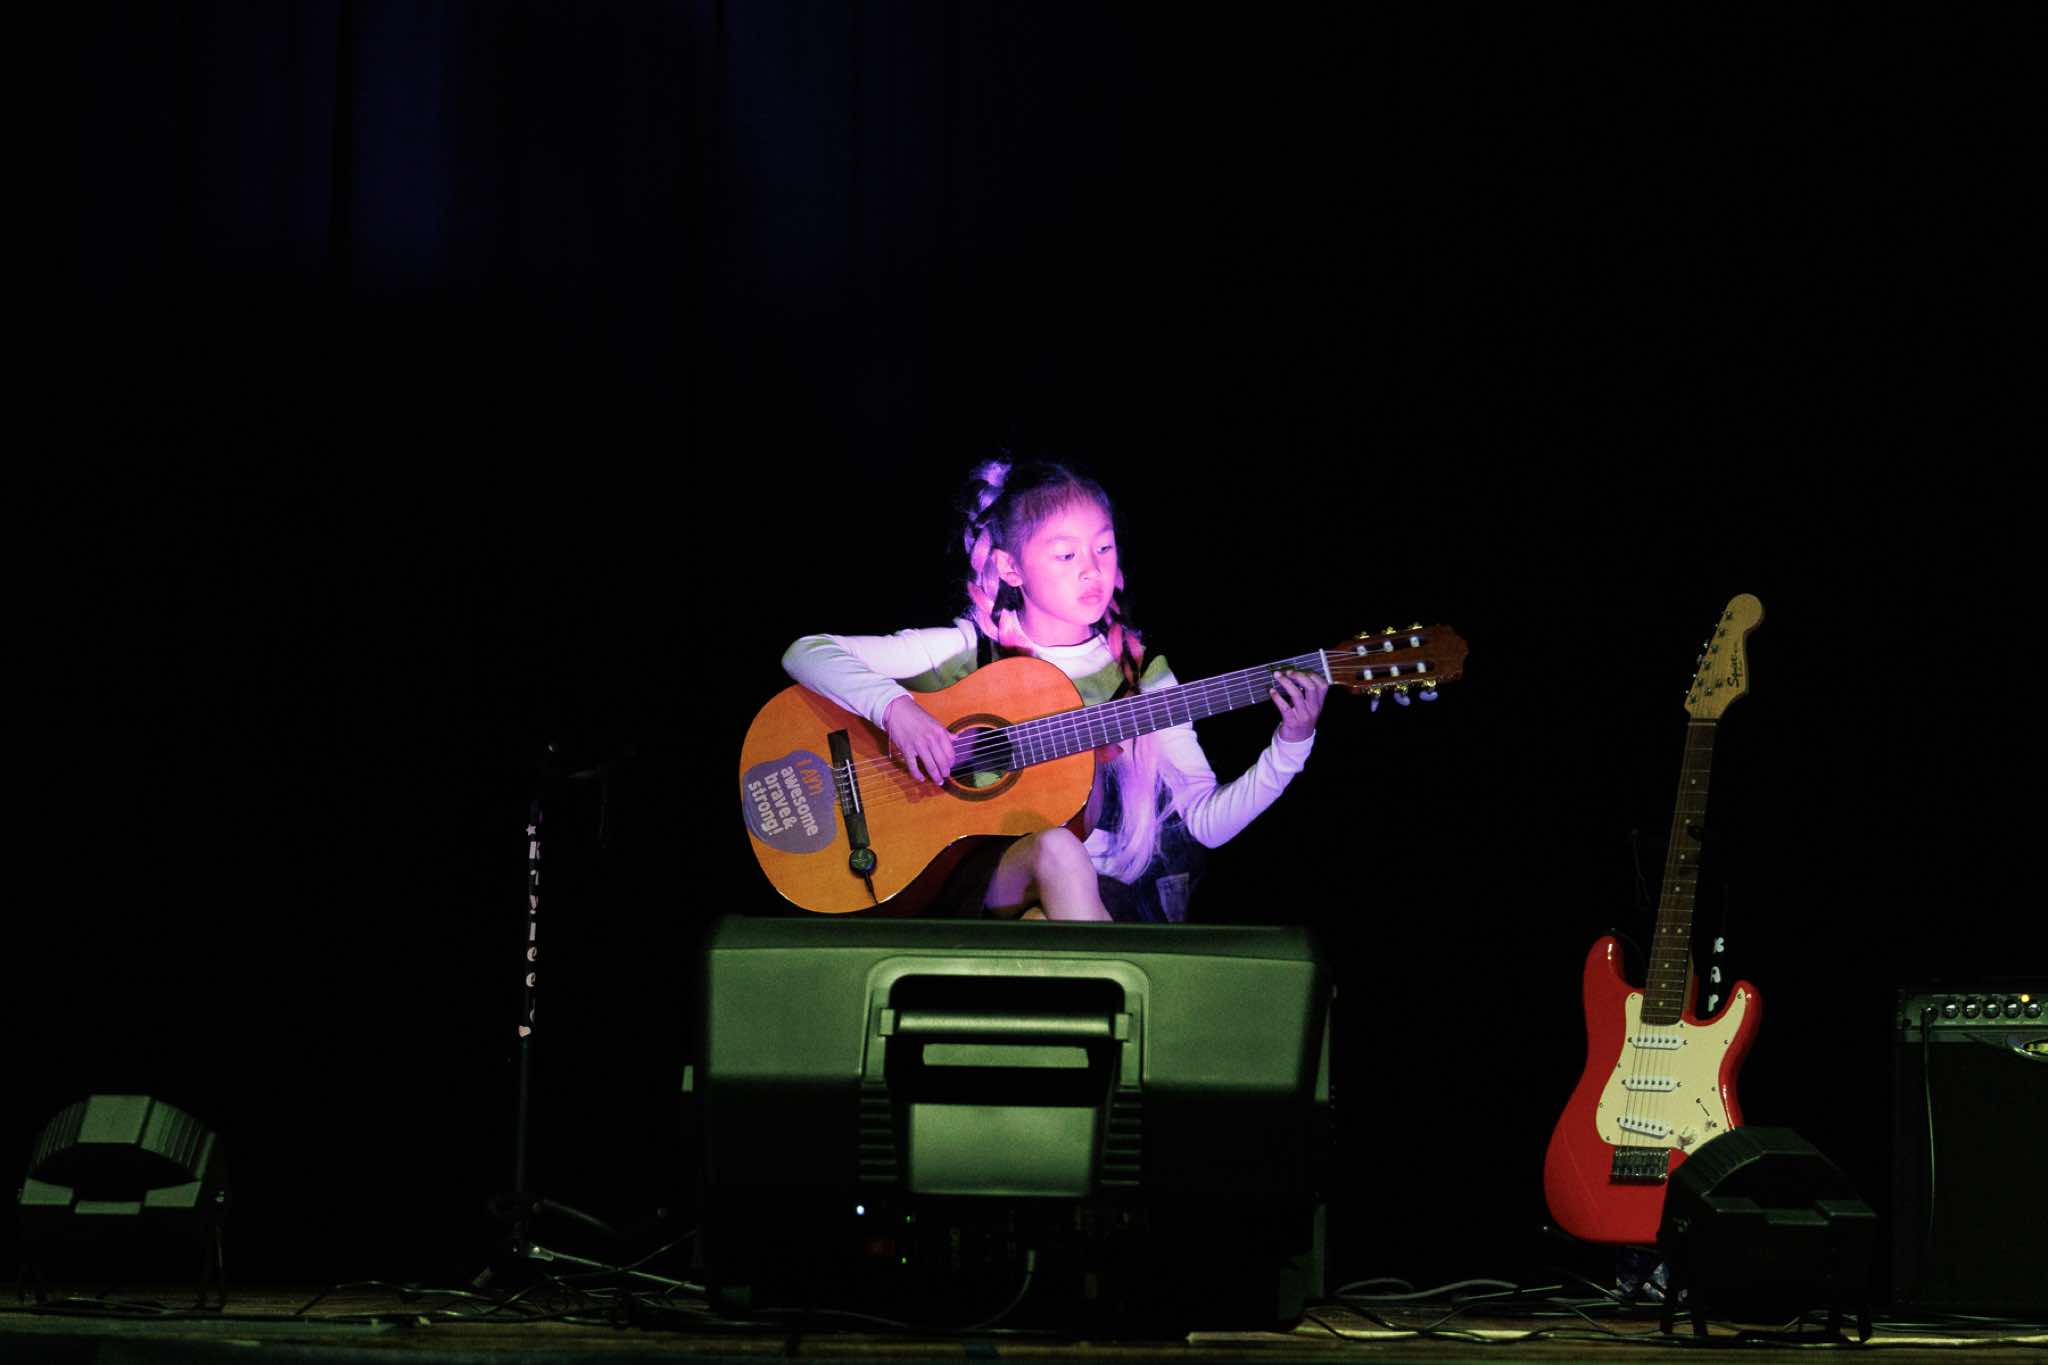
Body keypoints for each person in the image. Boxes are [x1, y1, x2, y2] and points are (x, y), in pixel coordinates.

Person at [780, 458, 1327, 921]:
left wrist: (1290, 747)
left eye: (1104, 549)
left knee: (1048, 907)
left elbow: (1205, 823)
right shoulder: (967, 651)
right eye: (1066, 555)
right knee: (1059, 852)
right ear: (1010, 568)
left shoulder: (1142, 677)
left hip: (1104, 899)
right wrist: (896, 709)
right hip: (975, 877)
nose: (1092, 571)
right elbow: (806, 652)